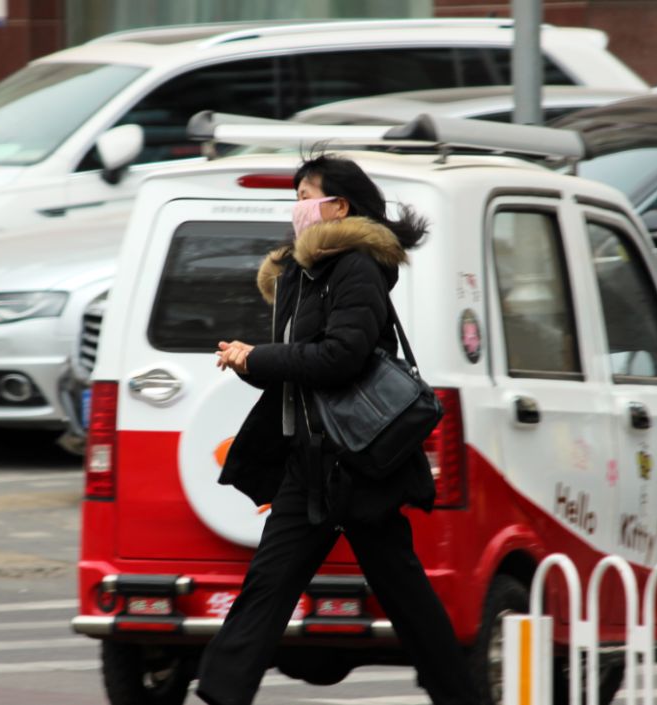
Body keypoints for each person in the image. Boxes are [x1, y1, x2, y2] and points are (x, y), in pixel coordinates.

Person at [196, 154, 479, 705]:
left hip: (360, 462)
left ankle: (460, 695)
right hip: (311, 463)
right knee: (268, 585)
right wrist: (248, 362)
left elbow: (342, 358)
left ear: (339, 206)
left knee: (406, 595)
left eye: (307, 194)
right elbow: (300, 377)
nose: (297, 206)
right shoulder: (298, 274)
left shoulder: (357, 267)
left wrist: (262, 357)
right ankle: (221, 693)